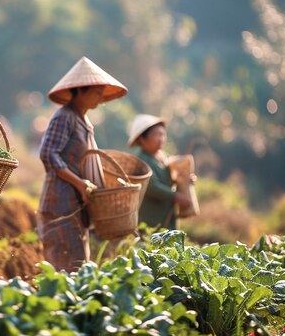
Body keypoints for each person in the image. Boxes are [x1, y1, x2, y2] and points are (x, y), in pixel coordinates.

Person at [37, 56, 128, 272]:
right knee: (65, 270)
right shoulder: (64, 117)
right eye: (96, 92)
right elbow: (48, 153)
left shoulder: (84, 120)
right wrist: (79, 183)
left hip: (76, 207)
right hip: (60, 205)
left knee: (78, 269)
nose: (99, 96)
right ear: (80, 91)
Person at [127, 114, 192, 230]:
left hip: (167, 216)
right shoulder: (141, 161)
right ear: (142, 139)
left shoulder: (163, 157)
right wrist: (176, 196)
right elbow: (152, 187)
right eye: (156, 135)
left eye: (163, 134)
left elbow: (171, 178)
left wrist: (186, 179)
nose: (161, 139)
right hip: (151, 220)